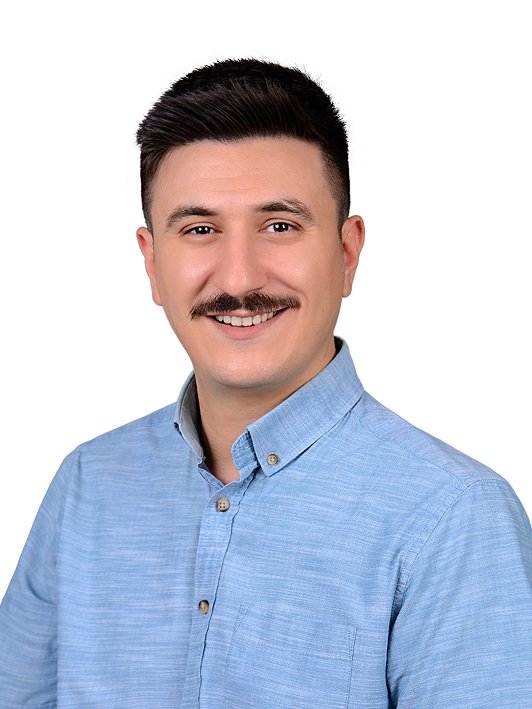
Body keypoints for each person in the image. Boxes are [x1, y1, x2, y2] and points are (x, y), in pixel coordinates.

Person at [0, 58, 530, 708]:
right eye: (200, 230)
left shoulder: (454, 518)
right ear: (153, 262)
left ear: (346, 253)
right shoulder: (87, 484)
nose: (239, 278)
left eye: (280, 225)